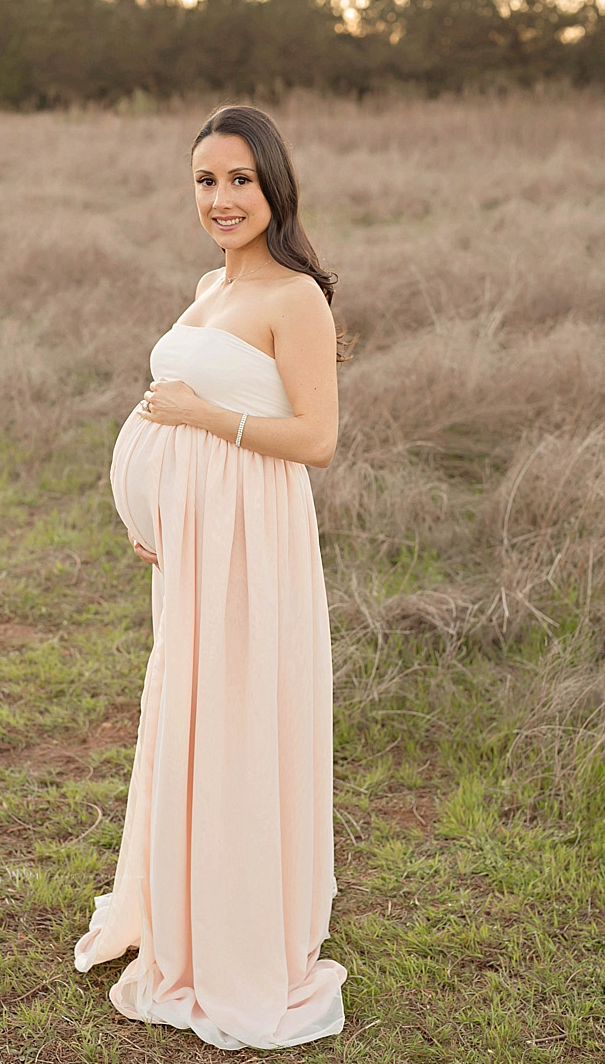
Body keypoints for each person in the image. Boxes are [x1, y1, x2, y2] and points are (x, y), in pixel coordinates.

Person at [72, 104, 350, 1049]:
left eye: (239, 178)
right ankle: (183, 903)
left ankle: (237, 931)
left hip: (253, 548)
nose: (222, 198)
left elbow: (316, 439)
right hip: (195, 549)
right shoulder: (206, 283)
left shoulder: (294, 297)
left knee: (237, 717)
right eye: (205, 180)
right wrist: (159, 509)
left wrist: (195, 418)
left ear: (274, 182)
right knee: (189, 711)